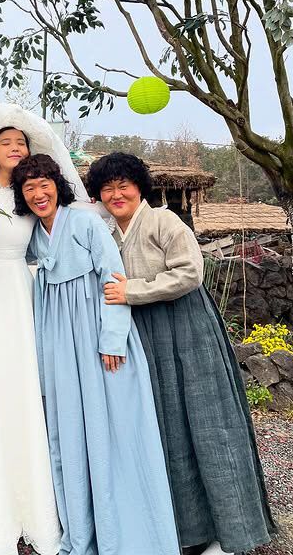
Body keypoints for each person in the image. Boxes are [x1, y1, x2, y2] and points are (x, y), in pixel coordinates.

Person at [0, 104, 104, 555]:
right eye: (5, 143)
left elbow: (52, 239)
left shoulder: (34, 195)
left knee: (22, 385)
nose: (14, 148)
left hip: (21, 292)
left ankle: (29, 497)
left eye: (21, 143)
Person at [87, 152, 276, 555]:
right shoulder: (107, 232)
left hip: (185, 327)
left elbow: (190, 272)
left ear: (140, 187)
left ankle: (229, 532)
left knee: (206, 422)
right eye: (107, 188)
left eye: (124, 185)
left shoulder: (164, 220)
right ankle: (184, 530)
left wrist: (132, 291)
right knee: (166, 426)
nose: (116, 194)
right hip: (144, 334)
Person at [12, 153, 180, 555]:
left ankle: (129, 534)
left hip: (96, 336)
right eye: (29, 187)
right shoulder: (32, 235)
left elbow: (113, 279)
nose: (38, 194)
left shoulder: (86, 223)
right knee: (68, 432)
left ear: (58, 186)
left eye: (44, 184)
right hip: (58, 341)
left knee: (115, 430)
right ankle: (81, 530)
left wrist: (113, 339)